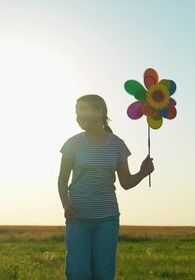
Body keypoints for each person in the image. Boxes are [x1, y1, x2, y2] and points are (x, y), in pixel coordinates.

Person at [58, 95, 155, 280]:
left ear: (99, 111)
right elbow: (62, 180)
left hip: (107, 219)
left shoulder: (117, 145)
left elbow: (125, 182)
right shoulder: (73, 144)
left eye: (82, 110)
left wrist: (142, 173)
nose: (78, 116)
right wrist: (65, 205)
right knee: (78, 273)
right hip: (78, 218)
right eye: (76, 112)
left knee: (103, 274)